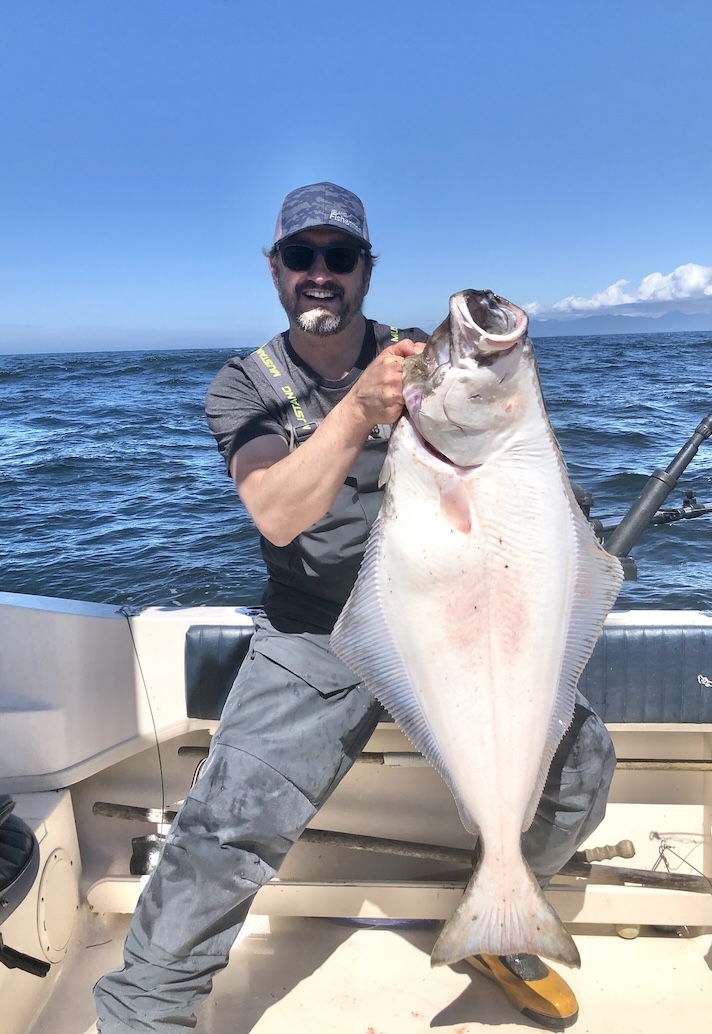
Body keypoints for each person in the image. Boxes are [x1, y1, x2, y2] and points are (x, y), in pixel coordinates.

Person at [93, 182, 616, 1032]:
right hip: (314, 633)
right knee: (224, 830)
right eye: (303, 257)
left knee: (582, 771)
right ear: (276, 271)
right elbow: (276, 509)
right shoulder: (243, 386)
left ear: (366, 270)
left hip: (453, 620)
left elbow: (521, 484)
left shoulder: (421, 358)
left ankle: (504, 909)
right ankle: (144, 1010)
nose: (321, 274)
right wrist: (360, 410)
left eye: (340, 257)